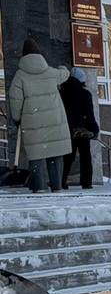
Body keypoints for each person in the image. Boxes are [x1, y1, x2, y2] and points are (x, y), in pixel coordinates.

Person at [9, 38, 71, 193]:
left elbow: (15, 100)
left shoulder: (20, 76)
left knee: (36, 156)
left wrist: (17, 119)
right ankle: (56, 187)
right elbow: (65, 74)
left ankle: (39, 188)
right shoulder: (50, 72)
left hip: (33, 122)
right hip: (54, 121)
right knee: (54, 154)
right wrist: (63, 67)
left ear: (23, 56)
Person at [59, 68, 100, 190]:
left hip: (66, 129)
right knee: (85, 157)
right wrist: (94, 130)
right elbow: (89, 114)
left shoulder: (61, 92)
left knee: (67, 157)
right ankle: (86, 182)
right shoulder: (84, 94)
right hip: (82, 130)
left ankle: (61, 181)